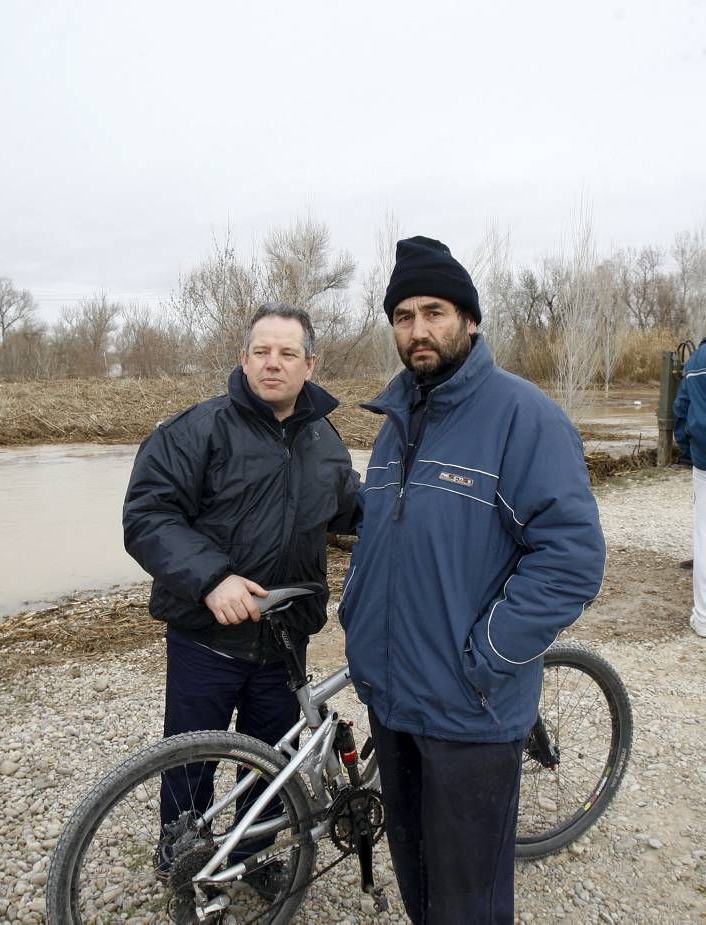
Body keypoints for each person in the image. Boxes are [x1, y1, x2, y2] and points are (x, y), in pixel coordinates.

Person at [339, 236, 606, 924]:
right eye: (403, 315)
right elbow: (387, 537)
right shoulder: (399, 419)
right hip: (393, 699)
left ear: (471, 319)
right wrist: (356, 616)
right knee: (421, 889)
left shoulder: (524, 418)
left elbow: (571, 557)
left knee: (470, 904)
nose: (418, 329)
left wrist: (486, 656)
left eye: (434, 311)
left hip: (469, 712)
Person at [123, 302, 357, 914]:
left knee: (270, 760)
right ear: (243, 358)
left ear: (310, 364)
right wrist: (212, 579)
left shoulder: (325, 441)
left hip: (285, 636)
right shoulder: (199, 430)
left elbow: (352, 512)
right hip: (206, 634)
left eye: (286, 353)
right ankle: (182, 862)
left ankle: (255, 856)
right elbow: (147, 516)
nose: (272, 363)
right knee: (193, 756)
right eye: (261, 351)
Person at [674, 337, 706, 636]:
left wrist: (687, 448)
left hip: (704, 460)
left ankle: (704, 617)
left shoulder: (696, 361)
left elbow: (681, 409)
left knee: (704, 536)